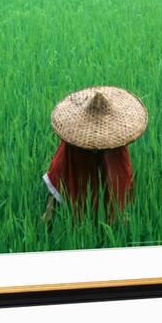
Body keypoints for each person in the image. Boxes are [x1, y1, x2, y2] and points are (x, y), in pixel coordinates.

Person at [42, 86, 148, 222]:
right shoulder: (73, 143)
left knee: (110, 174)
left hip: (106, 156)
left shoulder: (116, 147)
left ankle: (113, 212)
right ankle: (57, 208)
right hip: (79, 158)